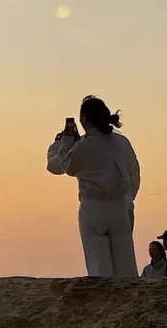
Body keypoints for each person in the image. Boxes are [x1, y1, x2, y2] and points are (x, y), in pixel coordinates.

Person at [46, 96, 142, 277]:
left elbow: (58, 166)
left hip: (93, 207)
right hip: (119, 206)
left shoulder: (82, 146)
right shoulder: (121, 142)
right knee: (126, 268)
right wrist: (129, 198)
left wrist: (61, 144)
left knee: (99, 268)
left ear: (84, 120)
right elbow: (134, 172)